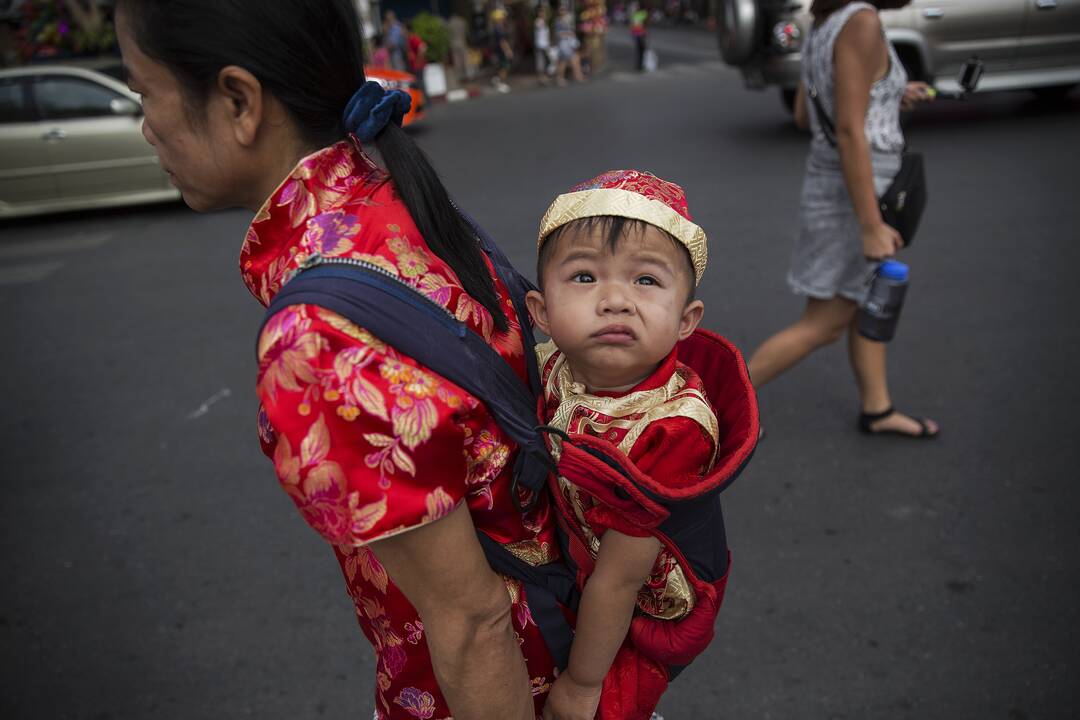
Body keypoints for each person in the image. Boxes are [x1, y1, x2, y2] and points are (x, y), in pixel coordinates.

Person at [113, 1, 564, 718]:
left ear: (238, 100)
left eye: (145, 93)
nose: (147, 127)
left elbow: (472, 624)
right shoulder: (389, 195)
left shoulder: (316, 335)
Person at [525, 170, 716, 720]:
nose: (614, 300)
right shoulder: (550, 365)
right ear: (540, 313)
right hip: (575, 559)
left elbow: (620, 579)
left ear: (686, 322)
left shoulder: (673, 430)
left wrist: (584, 686)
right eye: (584, 277)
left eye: (646, 281)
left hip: (644, 604)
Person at [746, 0, 939, 439]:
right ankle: (705, 407)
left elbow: (805, 115)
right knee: (825, 322)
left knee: (861, 298)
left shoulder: (823, 21)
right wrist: (871, 225)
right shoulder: (861, 21)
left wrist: (889, 95)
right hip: (860, 189)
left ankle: (877, 407)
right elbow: (851, 130)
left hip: (833, 179)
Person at [553, 3, 584, 85]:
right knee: (563, 62)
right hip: (563, 44)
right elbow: (558, 34)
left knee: (575, 59)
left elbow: (571, 30)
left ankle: (578, 75)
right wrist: (568, 33)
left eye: (564, 10)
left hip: (569, 43)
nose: (563, 11)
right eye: (561, 10)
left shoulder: (567, 19)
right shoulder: (558, 21)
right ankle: (560, 78)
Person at [491, 7, 514, 92]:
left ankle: (496, 79)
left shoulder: (497, 28)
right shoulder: (499, 29)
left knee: (502, 66)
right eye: (502, 17)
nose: (504, 19)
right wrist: (508, 50)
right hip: (501, 51)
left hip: (498, 50)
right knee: (505, 67)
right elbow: (502, 41)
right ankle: (501, 83)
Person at [534, 2, 553, 84]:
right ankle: (541, 78)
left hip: (545, 45)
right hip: (540, 45)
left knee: (547, 61)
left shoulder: (545, 23)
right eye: (542, 12)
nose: (544, 14)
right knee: (541, 61)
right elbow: (539, 27)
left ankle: (545, 77)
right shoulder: (538, 21)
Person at [629, 2, 648, 72]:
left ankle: (639, 65)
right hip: (639, 35)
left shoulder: (640, 14)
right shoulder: (642, 13)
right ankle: (639, 65)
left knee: (640, 50)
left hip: (639, 35)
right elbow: (645, 24)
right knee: (640, 50)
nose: (636, 7)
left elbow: (645, 24)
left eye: (637, 6)